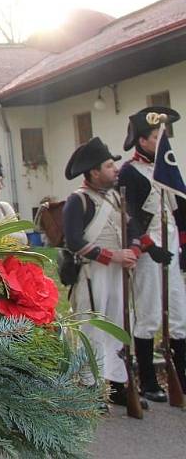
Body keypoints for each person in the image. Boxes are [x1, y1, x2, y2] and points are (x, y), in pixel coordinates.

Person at [62, 137, 145, 407]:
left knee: (119, 326)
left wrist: (133, 250)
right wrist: (113, 256)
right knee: (92, 328)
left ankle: (118, 384)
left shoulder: (116, 197)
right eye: (109, 166)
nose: (115, 170)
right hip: (92, 273)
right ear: (94, 172)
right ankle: (90, 386)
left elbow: (134, 229)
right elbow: (74, 241)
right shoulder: (78, 200)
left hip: (117, 271)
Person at [118, 106, 186, 401]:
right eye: (156, 136)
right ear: (142, 141)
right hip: (147, 251)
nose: (161, 140)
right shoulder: (129, 172)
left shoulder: (166, 168)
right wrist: (148, 245)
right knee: (147, 314)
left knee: (179, 313)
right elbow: (129, 216)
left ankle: (181, 379)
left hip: (170, 246)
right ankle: (147, 381)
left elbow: (179, 211)